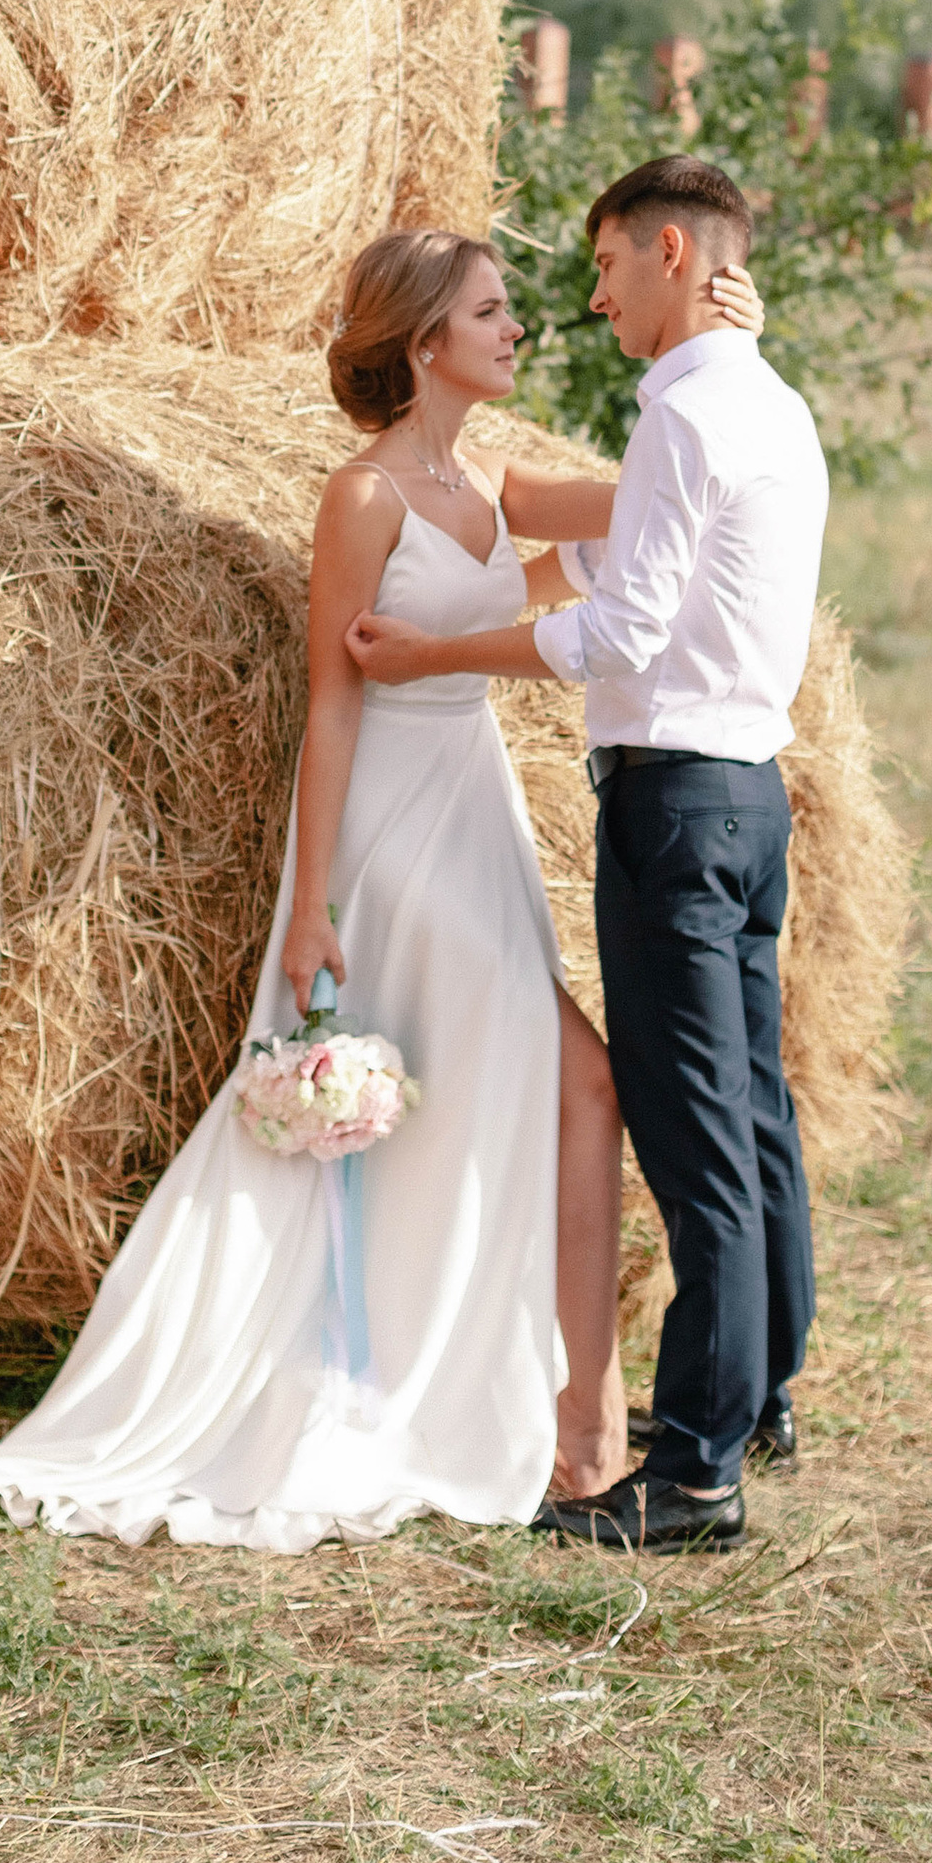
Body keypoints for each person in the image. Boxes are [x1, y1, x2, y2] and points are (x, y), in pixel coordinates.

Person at [0, 221, 760, 1550]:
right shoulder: (364, 500)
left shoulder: (499, 490)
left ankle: (567, 1412)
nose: (518, 328)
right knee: (584, 1082)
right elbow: (333, 701)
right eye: (490, 312)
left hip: (478, 807)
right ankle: (577, 1424)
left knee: (538, 1094)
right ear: (424, 346)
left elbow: (684, 485)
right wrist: (313, 902)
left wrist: (726, 350)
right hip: (395, 836)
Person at [348, 154, 828, 1554]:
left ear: (672, 254)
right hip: (748, 794)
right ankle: (761, 1400)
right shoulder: (767, 399)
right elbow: (612, 562)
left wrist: (441, 654)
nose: (592, 292)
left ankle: (690, 1475)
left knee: (695, 1145)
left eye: (610, 263)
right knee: (751, 1112)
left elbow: (618, 632)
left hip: (675, 801)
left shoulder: (685, 410)